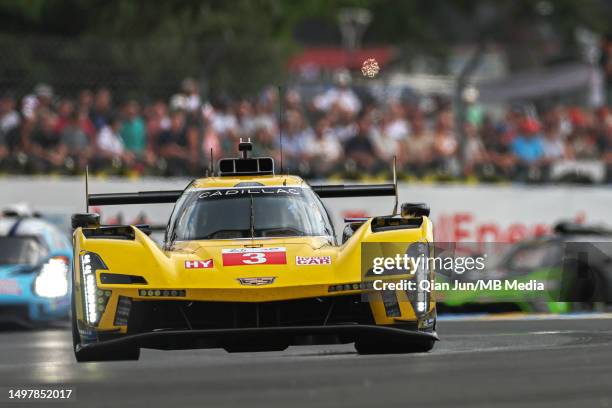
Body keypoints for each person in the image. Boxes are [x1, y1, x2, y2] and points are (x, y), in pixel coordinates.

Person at [157, 110, 197, 176]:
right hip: (167, 166)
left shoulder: (187, 135)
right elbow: (159, 151)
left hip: (183, 167)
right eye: (174, 119)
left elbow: (192, 155)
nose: (176, 121)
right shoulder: (164, 134)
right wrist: (169, 150)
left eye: (179, 119)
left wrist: (178, 151)